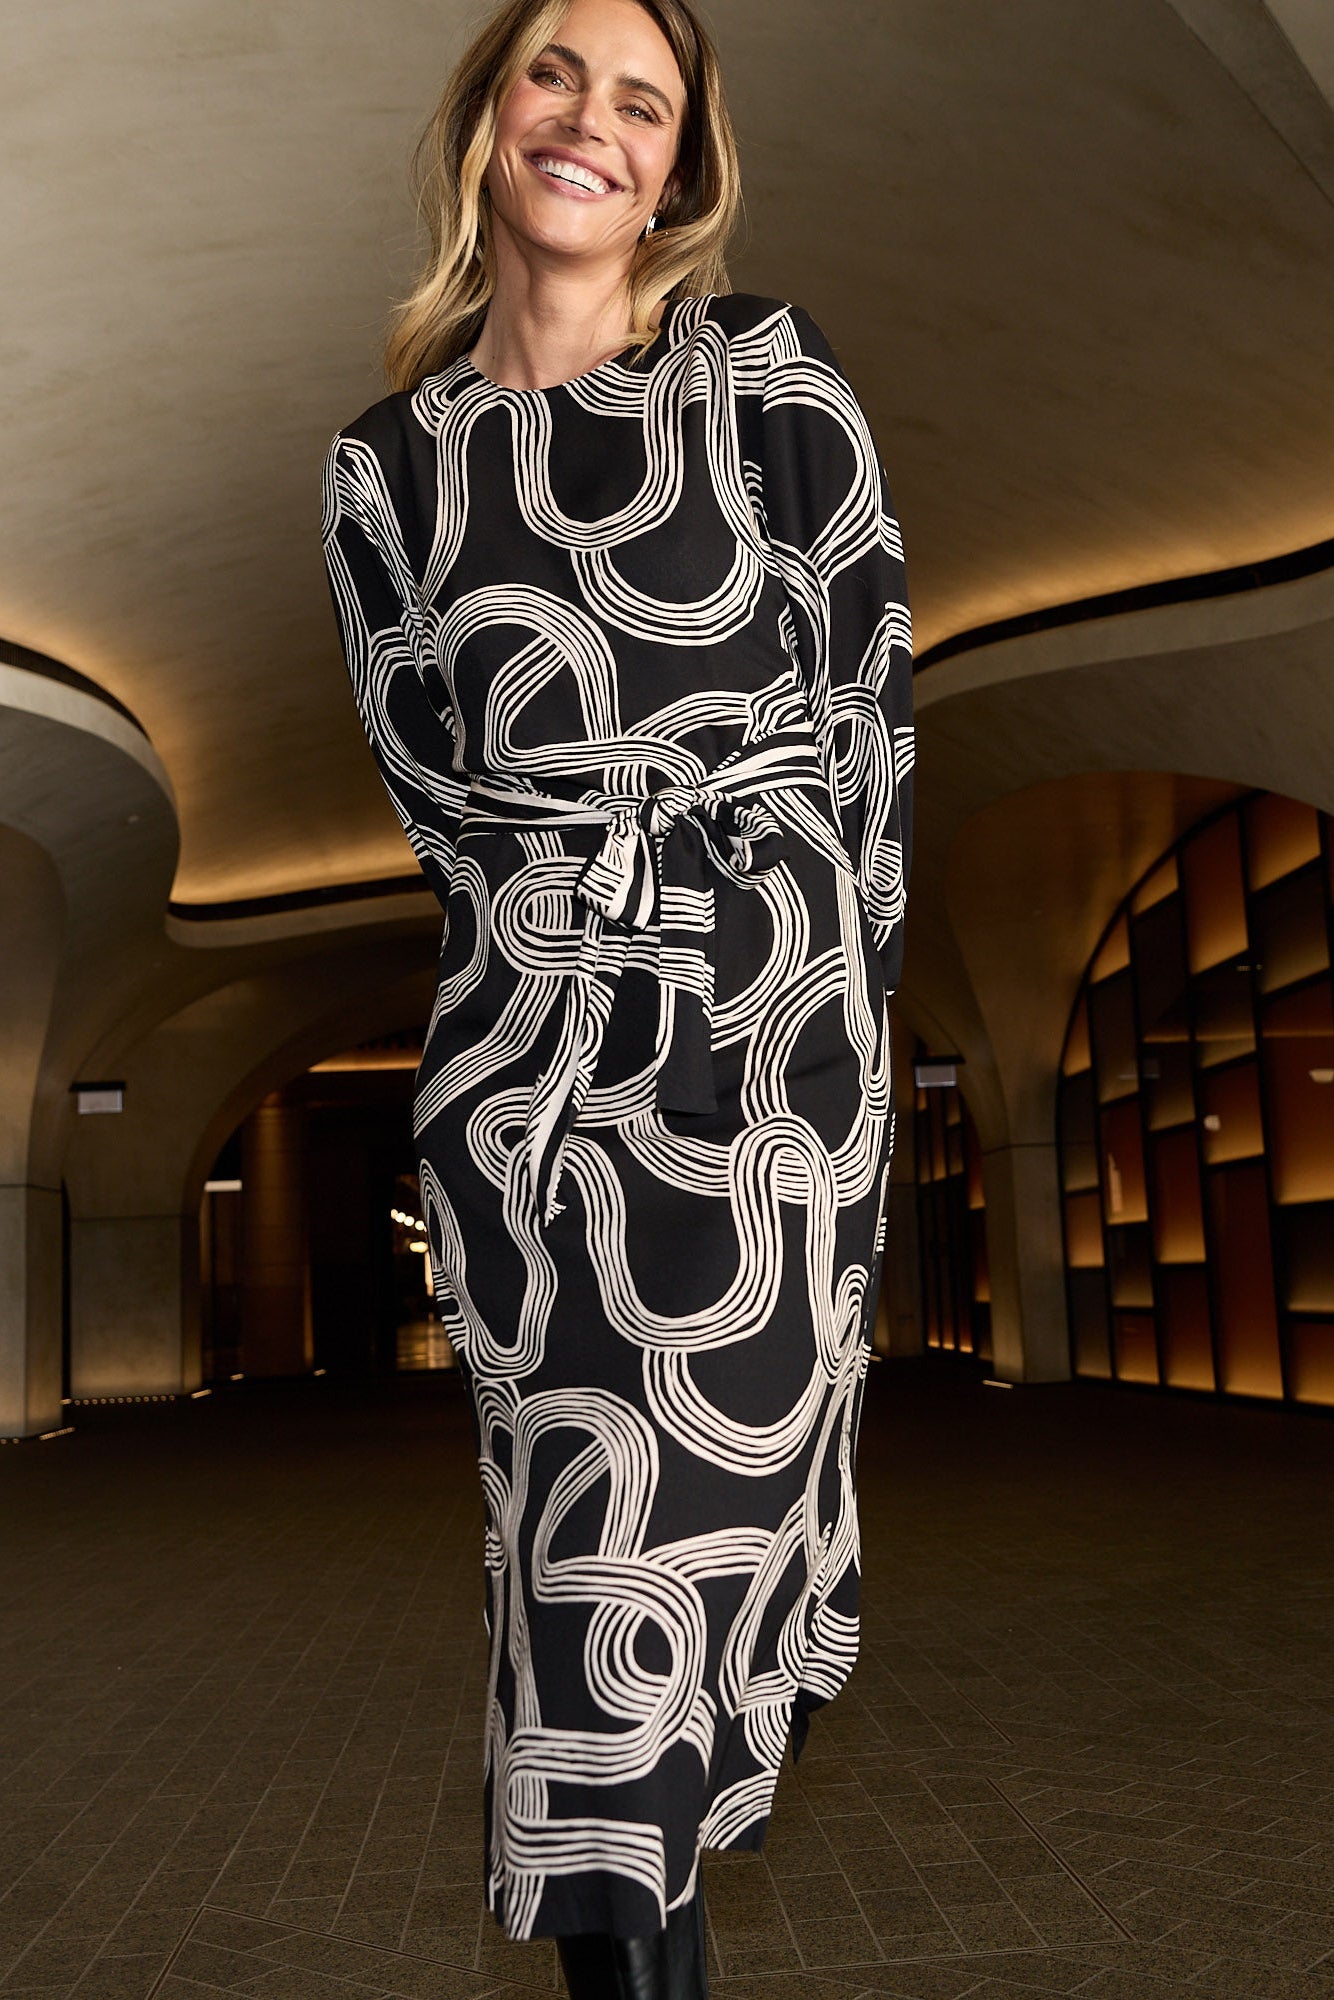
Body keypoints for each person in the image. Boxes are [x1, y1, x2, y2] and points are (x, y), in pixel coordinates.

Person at [321, 0, 913, 1991]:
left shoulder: (765, 381)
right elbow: (436, 803)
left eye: (639, 100)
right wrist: (538, 998)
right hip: (536, 1099)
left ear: (679, 167)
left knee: (731, 1616)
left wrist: (838, 1080)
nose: (589, 120)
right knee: (588, 1631)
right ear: (488, 114)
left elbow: (870, 735)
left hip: (773, 1079)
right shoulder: (385, 472)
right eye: (555, 75)